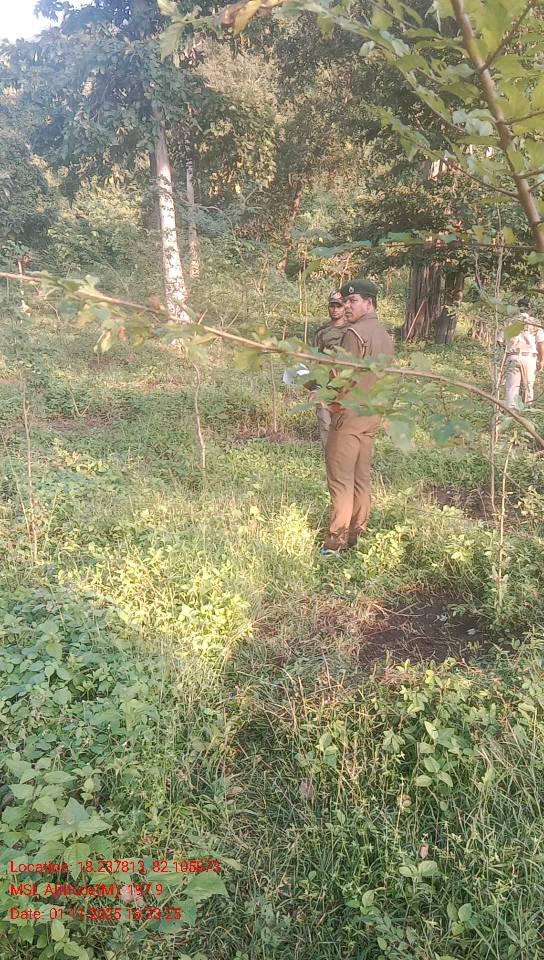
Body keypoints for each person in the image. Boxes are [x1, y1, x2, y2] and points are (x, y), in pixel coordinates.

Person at [321, 278, 394, 556]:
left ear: (369, 303)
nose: (347, 306)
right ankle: (357, 535)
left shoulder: (354, 333)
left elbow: (342, 377)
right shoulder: (384, 335)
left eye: (353, 301)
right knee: (361, 478)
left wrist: (322, 393)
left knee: (341, 481)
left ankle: (336, 543)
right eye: (345, 301)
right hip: (372, 415)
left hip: (348, 416)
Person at [309, 291, 346, 448]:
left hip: (346, 386)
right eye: (332, 306)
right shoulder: (322, 333)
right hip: (324, 385)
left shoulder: (352, 331)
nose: (335, 310)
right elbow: (314, 361)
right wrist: (315, 388)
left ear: (345, 307)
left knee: (344, 426)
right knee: (325, 424)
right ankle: (329, 456)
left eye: (339, 306)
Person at [502, 298, 544, 408]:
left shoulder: (509, 321)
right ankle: (527, 412)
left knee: (512, 388)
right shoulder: (535, 322)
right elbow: (540, 342)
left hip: (512, 356)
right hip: (529, 358)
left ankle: (510, 412)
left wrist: (507, 348)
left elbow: (499, 340)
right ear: (529, 308)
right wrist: (541, 360)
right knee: (528, 387)